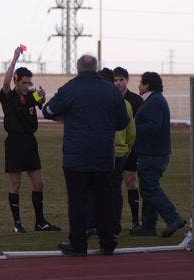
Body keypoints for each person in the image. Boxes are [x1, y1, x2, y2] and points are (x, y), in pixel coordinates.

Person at [42, 55, 129, 256]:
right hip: (104, 156)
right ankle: (108, 242)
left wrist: (65, 116)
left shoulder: (69, 89)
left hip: (76, 157)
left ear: (78, 68)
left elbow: (47, 110)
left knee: (77, 202)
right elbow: (123, 122)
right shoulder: (111, 91)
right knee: (104, 201)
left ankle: (78, 243)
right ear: (96, 68)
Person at [0, 46, 61, 233]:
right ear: (17, 82)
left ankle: (40, 222)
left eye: (29, 83)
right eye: (24, 83)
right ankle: (17, 224)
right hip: (15, 143)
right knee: (15, 184)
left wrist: (41, 96)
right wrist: (14, 59)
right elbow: (5, 82)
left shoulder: (31, 96)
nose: (27, 86)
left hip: (30, 142)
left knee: (38, 183)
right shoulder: (8, 97)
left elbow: (40, 103)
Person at [132, 71, 186, 237]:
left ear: (147, 85)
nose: (139, 86)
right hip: (155, 152)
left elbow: (154, 126)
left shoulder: (153, 102)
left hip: (152, 153)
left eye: (141, 83)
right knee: (148, 187)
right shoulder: (155, 100)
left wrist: (132, 130)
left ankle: (172, 217)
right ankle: (148, 226)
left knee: (149, 188)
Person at [87, 67, 136, 236]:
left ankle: (96, 223)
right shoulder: (126, 104)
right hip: (120, 153)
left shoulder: (97, 104)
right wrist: (126, 148)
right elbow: (132, 133)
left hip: (103, 153)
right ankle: (113, 225)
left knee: (96, 189)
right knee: (114, 190)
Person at [113, 67, 143, 232]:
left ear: (127, 80)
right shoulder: (109, 98)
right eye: (115, 80)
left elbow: (137, 125)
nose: (118, 83)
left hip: (130, 148)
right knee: (114, 185)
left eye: (121, 80)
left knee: (130, 182)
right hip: (113, 150)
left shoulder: (136, 100)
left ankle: (135, 220)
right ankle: (114, 221)